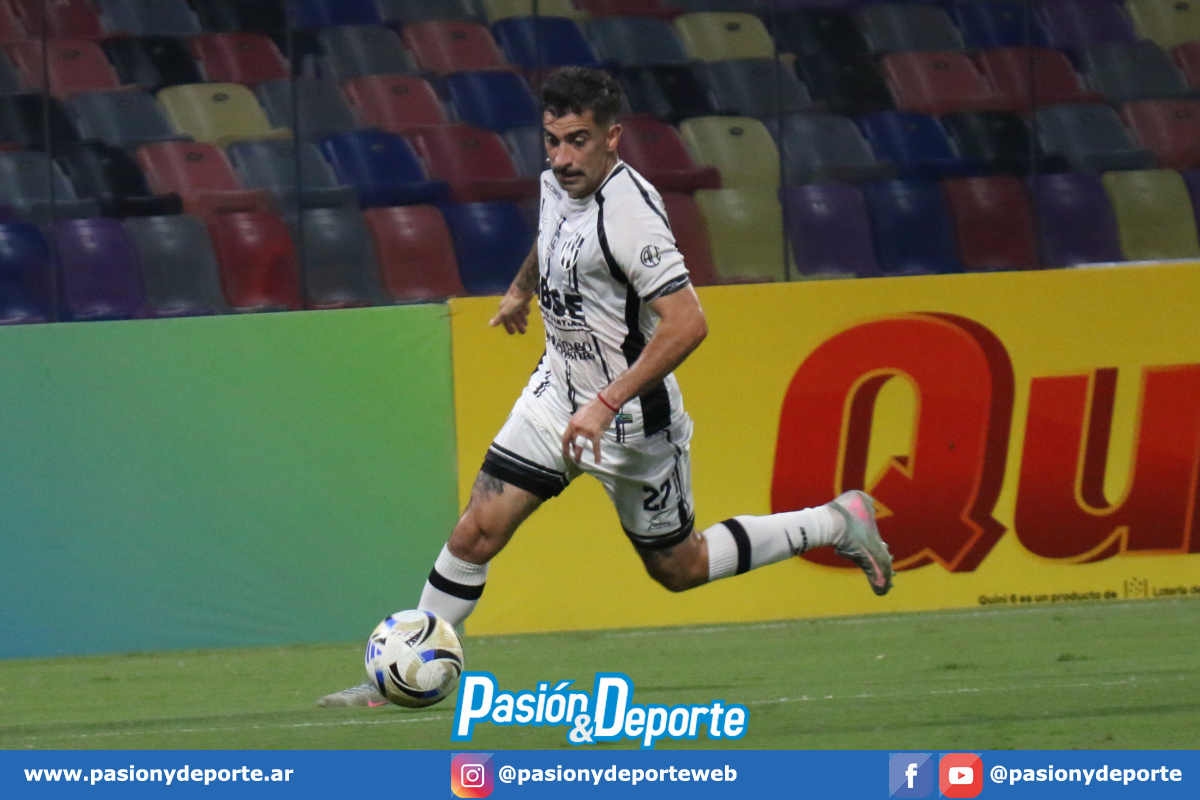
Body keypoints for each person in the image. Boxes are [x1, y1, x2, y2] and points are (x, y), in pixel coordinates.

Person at [318, 67, 893, 708]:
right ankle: (401, 677)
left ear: (612, 137)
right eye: (552, 141)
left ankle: (834, 521)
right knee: (475, 532)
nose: (562, 158)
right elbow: (552, 235)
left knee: (680, 567)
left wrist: (607, 400)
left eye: (578, 141)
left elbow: (688, 322)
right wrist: (520, 290)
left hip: (630, 425)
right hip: (555, 396)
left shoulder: (630, 216)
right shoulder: (557, 182)